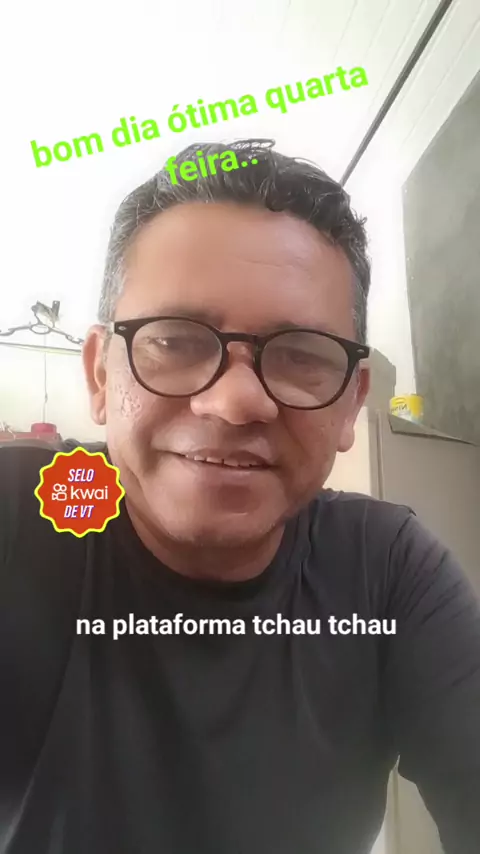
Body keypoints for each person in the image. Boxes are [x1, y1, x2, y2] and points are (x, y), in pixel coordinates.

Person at [1, 138, 479, 854]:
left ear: (351, 402)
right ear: (101, 375)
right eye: (175, 341)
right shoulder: (20, 514)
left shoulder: (385, 567)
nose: (234, 402)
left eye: (300, 354)